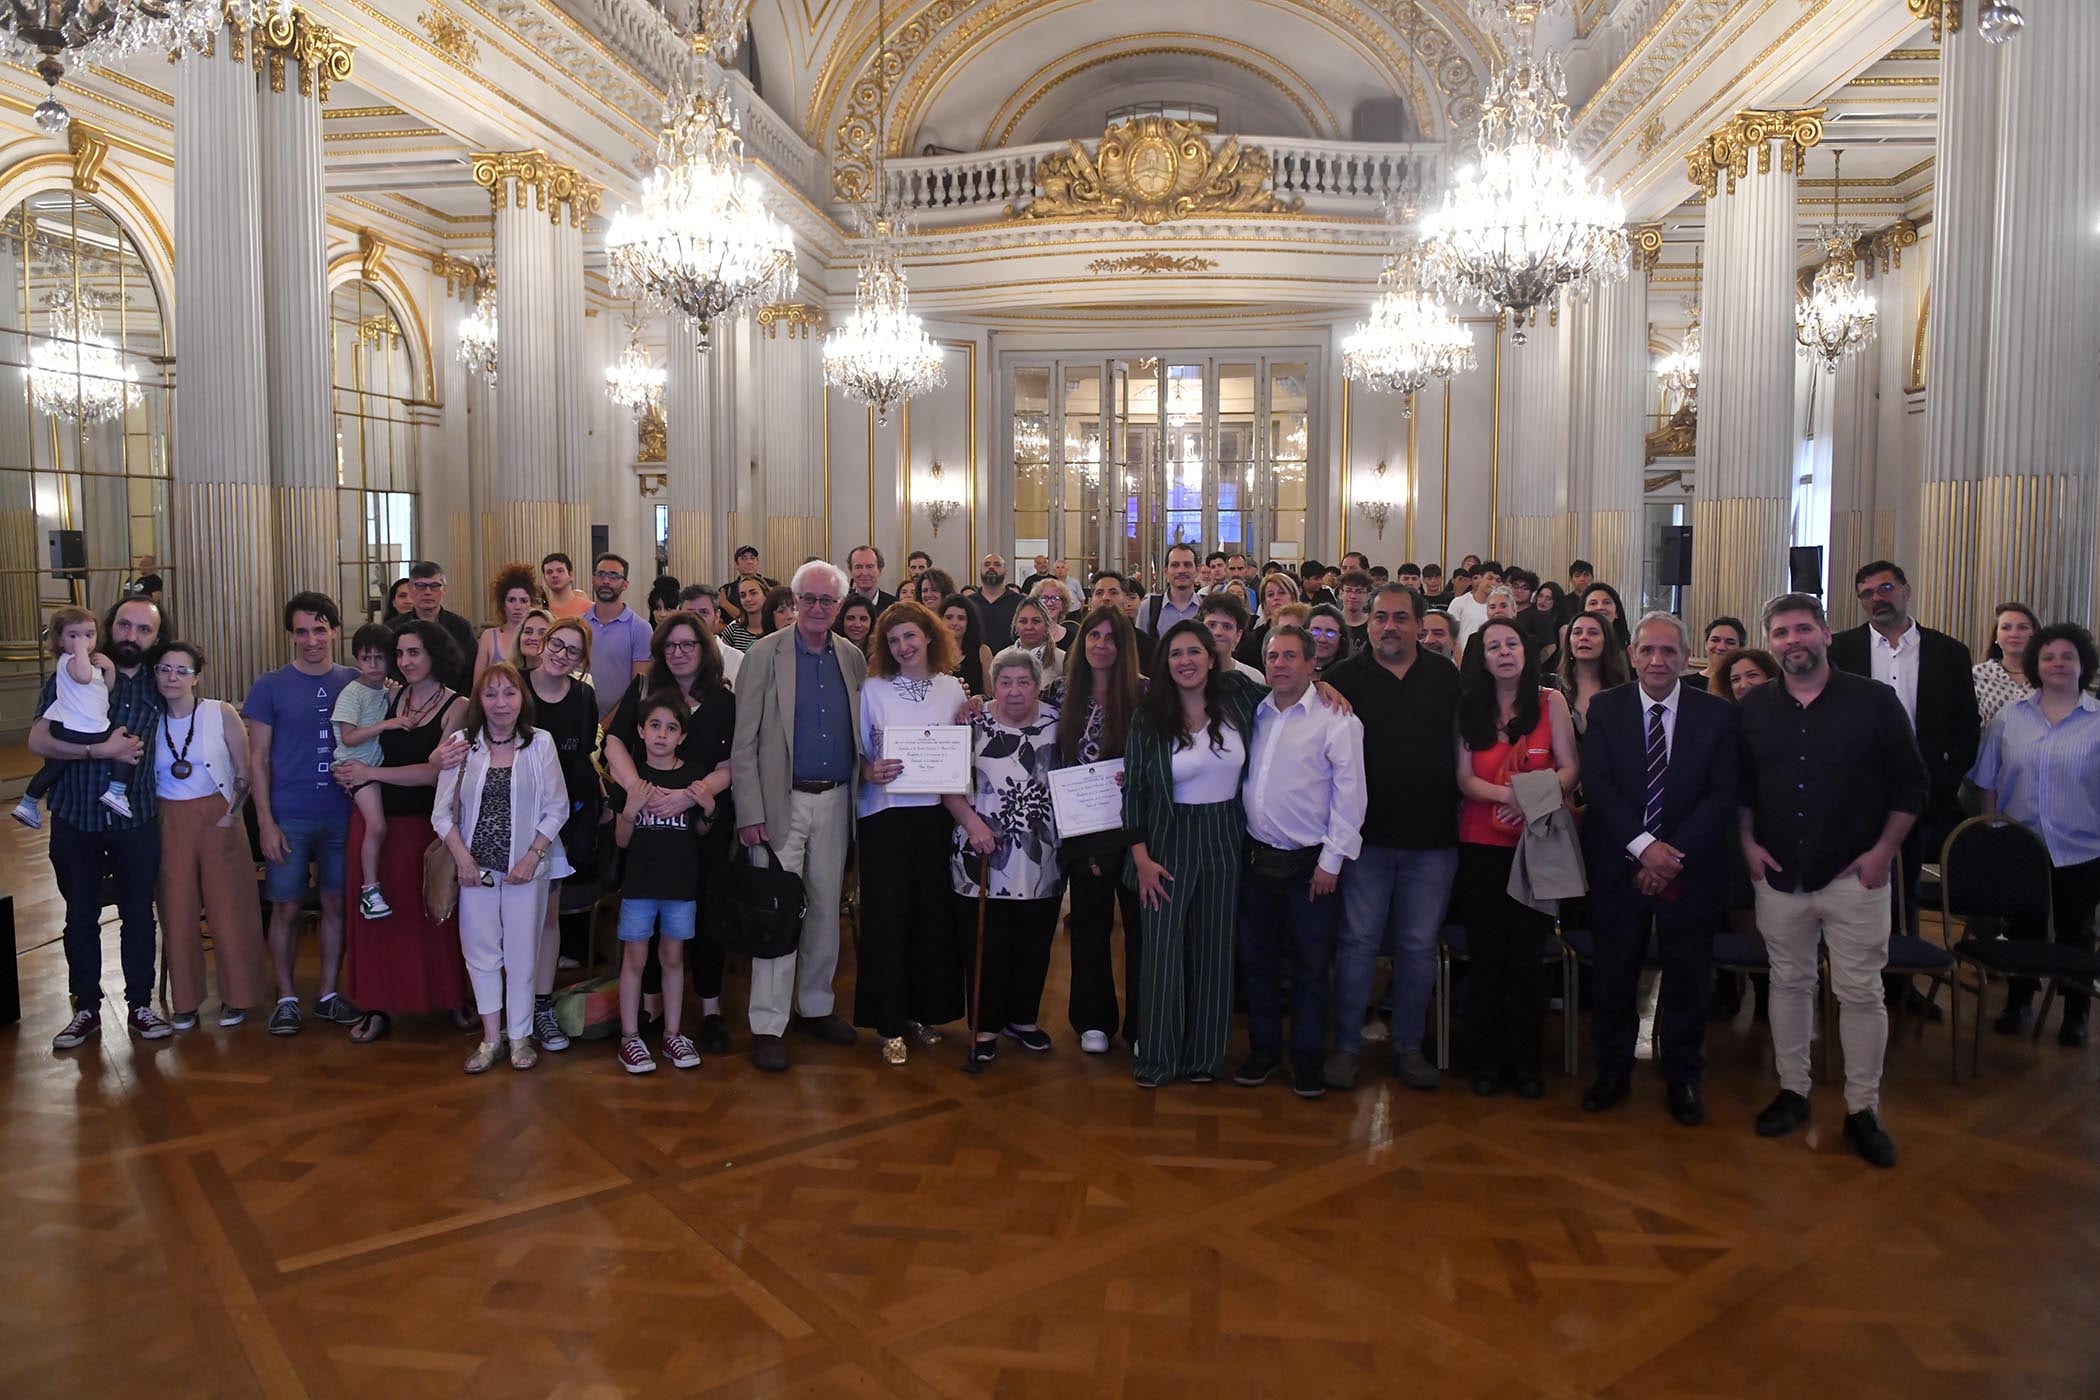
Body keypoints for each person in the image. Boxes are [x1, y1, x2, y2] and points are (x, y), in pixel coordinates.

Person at [1739, 592, 1928, 1168]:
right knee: (1789, 984)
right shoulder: (1754, 707)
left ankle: (1862, 1109)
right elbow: (1741, 787)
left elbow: (1912, 784)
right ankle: (1793, 1091)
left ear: (1825, 633)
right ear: (1770, 643)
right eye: (1780, 633)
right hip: (1779, 874)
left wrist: (1882, 853)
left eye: (1802, 629)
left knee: (1861, 993)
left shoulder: (1874, 701)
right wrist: (1747, 844)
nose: (1792, 641)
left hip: (1854, 873)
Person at [1579, 613, 1740, 1125]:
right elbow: (1598, 785)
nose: (1657, 660)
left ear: (1687, 657)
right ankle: (1612, 1070)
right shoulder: (1606, 708)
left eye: (1669, 651)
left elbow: (1722, 793)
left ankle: (1683, 1074)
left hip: (1690, 869)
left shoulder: (1717, 714)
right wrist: (1645, 847)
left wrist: (1670, 856)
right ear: (1631, 654)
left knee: (1688, 977)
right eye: (1647, 650)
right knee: (1614, 974)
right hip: (1620, 865)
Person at [1326, 584, 1462, 1090]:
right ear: (1367, 622)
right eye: (1381, 617)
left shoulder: (1445, 676)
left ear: (1419, 625)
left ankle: (1408, 1045)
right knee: (1358, 943)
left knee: (1418, 946)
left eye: (1400, 618)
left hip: (1432, 838)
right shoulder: (1343, 678)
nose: (1389, 626)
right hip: (1367, 839)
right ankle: (1347, 1046)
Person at [731, 561, 866, 1071]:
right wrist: (749, 811)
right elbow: (743, 742)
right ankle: (768, 1023)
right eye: (807, 598)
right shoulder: (764, 654)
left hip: (836, 800)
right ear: (792, 601)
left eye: (827, 600)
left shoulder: (851, 657)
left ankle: (815, 1007)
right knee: (776, 910)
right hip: (778, 803)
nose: (816, 608)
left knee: (826, 907)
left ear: (840, 605)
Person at [1123, 620, 1267, 1087]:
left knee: (1214, 950)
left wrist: (1327, 689)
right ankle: (1158, 1059)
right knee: (1162, 953)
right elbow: (1134, 791)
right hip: (1166, 841)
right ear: (1165, 663)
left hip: (1226, 835)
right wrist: (1141, 859)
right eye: (1175, 654)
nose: (1185, 661)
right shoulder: (1149, 717)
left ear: (1211, 656)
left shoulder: (1240, 699)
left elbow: (1291, 696)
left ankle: (1205, 1057)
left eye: (1193, 652)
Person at [1233, 624, 1366, 1099]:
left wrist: (1332, 861)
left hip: (1311, 866)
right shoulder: (1254, 711)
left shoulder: (1337, 719)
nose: (1280, 664)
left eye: (1291, 656)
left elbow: (1351, 797)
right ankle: (1265, 1051)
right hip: (1256, 859)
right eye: (1273, 656)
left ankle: (1307, 1060)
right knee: (1259, 963)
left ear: (1313, 664)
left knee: (1311, 968)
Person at [36, 597, 170, 1049]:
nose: (132, 636)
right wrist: (98, 751)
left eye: (144, 630)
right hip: (76, 815)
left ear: (156, 637)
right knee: (79, 916)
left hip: (137, 818)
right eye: (125, 625)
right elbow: (39, 739)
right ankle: (86, 1008)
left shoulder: (160, 681)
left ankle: (140, 1005)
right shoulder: (74, 672)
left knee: (139, 916)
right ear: (110, 626)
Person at [1454, 617, 1579, 1098]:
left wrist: (1530, 800)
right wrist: (1509, 796)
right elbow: (1465, 778)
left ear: (1525, 652)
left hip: (1536, 845)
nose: (1504, 652)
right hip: (1481, 845)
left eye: (1511, 644)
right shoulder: (1469, 706)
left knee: (1527, 957)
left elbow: (1570, 769)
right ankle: (1484, 1061)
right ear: (1482, 658)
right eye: (1494, 647)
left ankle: (1527, 1064)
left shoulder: (1552, 702)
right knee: (1487, 955)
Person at [1830, 560, 1979, 957]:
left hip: (1922, 794)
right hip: (1853, 794)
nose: (1877, 598)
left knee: (1904, 889)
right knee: (1851, 888)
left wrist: (1943, 781)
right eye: (1866, 593)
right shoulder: (1840, 650)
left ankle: (1902, 976)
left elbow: (1967, 726)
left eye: (1885, 588)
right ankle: (1851, 971)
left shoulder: (1949, 652)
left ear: (1906, 590)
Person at [336, 621, 472, 1044]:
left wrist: (369, 773)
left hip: (427, 827)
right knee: (377, 921)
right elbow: (355, 743)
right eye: (400, 653)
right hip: (378, 825)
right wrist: (349, 772)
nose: (405, 661)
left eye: (414, 652)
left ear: (434, 654)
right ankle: (376, 1005)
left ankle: (452, 998)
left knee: (437, 916)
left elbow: (436, 773)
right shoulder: (388, 696)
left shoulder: (458, 705)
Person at [602, 613, 736, 1041]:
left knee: (706, 909)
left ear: (704, 649)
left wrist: (691, 795)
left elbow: (732, 761)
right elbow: (614, 740)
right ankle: (651, 1004)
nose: (678, 653)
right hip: (647, 816)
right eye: (670, 646)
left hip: (703, 813)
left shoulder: (722, 699)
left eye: (687, 644)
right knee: (651, 911)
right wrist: (637, 789)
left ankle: (710, 1008)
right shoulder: (645, 688)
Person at [432, 663, 569, 1073]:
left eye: (509, 693)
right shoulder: (462, 744)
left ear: (522, 698)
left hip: (524, 870)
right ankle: (491, 1039)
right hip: (475, 871)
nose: (500, 703)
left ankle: (521, 1037)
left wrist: (533, 857)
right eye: (490, 694)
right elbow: (441, 814)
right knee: (481, 955)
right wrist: (463, 860)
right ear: (479, 700)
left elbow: (557, 807)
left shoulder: (540, 743)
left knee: (522, 954)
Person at [1970, 623, 2100, 1045]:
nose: (2057, 663)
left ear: (2083, 664)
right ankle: (2019, 1002)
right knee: (2024, 929)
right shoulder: (2010, 718)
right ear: (2036, 665)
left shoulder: (2097, 721)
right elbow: (1986, 780)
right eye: (2048, 657)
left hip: (2082, 848)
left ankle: (2076, 1014)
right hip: (2021, 846)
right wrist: (1992, 831)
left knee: (2076, 933)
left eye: (2067, 657)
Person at [244, 593, 363, 1037]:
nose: (312, 640)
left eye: (320, 629)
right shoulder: (270, 685)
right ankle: (287, 998)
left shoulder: (356, 680)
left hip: (343, 813)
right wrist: (265, 821)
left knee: (336, 903)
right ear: (291, 635)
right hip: (288, 815)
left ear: (335, 631)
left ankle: (329, 993)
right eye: (302, 631)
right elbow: (257, 759)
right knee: (286, 907)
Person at [855, 600, 967, 1064]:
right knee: (887, 917)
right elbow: (859, 752)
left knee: (930, 916)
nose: (903, 646)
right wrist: (870, 770)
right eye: (894, 639)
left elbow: (963, 747)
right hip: (885, 815)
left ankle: (923, 1012)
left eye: (910, 636)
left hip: (936, 816)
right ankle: (888, 1022)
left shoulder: (952, 688)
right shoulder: (873, 689)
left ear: (929, 636)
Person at [945, 648, 1065, 1065]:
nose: (1015, 691)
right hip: (981, 848)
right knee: (986, 942)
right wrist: (972, 824)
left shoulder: (1057, 723)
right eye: (1006, 682)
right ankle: (985, 1026)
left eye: (1024, 682)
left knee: (1034, 939)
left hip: (1041, 853)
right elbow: (948, 783)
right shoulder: (971, 721)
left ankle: (1023, 1018)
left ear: (1037, 685)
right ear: (993, 685)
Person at [150, 639, 264, 1031]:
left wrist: (232, 815)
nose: (172, 678)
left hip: (220, 814)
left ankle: (238, 996)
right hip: (169, 818)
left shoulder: (220, 712)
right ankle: (185, 1001)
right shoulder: (150, 718)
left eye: (182, 670)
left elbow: (244, 768)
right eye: (164, 669)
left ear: (196, 677)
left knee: (230, 908)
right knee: (177, 910)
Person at [1057, 605, 1147, 1054]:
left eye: (1111, 638)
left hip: (1135, 829)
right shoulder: (1061, 692)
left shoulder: (1146, 693)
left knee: (1140, 928)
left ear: (1124, 646)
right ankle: (1092, 1019)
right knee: (1090, 924)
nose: (1101, 645)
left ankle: (1143, 1024)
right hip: (1084, 829)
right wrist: (975, 701)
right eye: (1094, 636)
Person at [611, 691, 715, 1074]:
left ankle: (673, 1033)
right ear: (640, 730)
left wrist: (709, 808)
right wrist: (630, 810)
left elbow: (701, 831)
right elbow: (621, 840)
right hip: (640, 886)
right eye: (654, 725)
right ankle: (629, 1037)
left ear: (682, 736)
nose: (661, 734)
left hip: (680, 887)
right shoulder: (632, 778)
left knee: (673, 959)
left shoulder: (693, 775)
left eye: (671, 728)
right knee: (635, 959)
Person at [525, 616, 599, 1052]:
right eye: (557, 644)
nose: (561, 655)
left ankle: (540, 1004)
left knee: (547, 914)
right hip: (511, 814)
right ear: (542, 643)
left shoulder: (583, 696)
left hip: (559, 816)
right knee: (506, 917)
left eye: (572, 651)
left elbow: (582, 757)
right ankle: (505, 1006)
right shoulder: (513, 686)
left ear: (581, 660)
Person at [14, 607, 134, 827]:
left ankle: (28, 802)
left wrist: (110, 670)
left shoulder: (85, 663)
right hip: (81, 727)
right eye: (73, 635)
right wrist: (80, 650)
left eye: (89, 635)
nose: (83, 641)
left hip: (78, 725)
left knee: (55, 767)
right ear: (59, 640)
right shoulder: (70, 661)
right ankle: (117, 791)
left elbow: (103, 691)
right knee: (126, 746)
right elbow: (84, 677)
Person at [334, 623, 401, 921]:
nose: (373, 665)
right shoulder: (352, 693)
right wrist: (385, 724)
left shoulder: (387, 690)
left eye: (380, 658)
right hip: (354, 767)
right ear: (356, 660)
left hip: (374, 767)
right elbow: (348, 737)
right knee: (376, 826)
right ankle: (369, 891)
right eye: (366, 658)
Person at [582, 553, 652, 721]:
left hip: (622, 723)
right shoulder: (578, 624)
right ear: (593, 580)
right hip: (580, 718)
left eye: (614, 576)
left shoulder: (640, 629)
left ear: (625, 584)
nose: (606, 581)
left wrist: (604, 726)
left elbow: (638, 687)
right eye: (601, 574)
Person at [386, 561, 478, 690]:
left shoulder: (461, 627)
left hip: (453, 696)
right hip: (405, 696)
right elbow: (389, 668)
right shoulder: (392, 628)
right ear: (411, 589)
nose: (428, 592)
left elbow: (471, 671)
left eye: (434, 586)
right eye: (420, 586)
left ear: (444, 589)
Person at [1555, 612, 1631, 734]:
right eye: (1577, 632)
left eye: (1593, 633)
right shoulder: (1554, 687)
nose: (1583, 637)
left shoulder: (1624, 690)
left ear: (1607, 641)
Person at [1972, 601, 2040, 730]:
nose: (2014, 634)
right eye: (2006, 627)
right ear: (1996, 636)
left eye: (2022, 627)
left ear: (2035, 634)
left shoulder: (2047, 675)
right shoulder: (1979, 674)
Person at [475, 563, 540, 681]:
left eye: (523, 601)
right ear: (503, 604)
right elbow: (478, 684)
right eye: (511, 600)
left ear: (531, 603)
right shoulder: (488, 636)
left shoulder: (539, 635)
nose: (517, 606)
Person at [678, 583, 742, 687]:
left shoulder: (737, 660)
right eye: (690, 613)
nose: (697, 619)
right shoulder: (671, 658)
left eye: (704, 612)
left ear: (717, 616)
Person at [1236, 572, 1303, 669]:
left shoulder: (1307, 632)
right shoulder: (1251, 641)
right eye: (1270, 595)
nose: (1276, 598)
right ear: (1264, 604)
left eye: (1282, 593)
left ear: (1293, 598)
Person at [1139, 542, 1204, 639]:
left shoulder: (1207, 606)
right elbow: (1139, 645)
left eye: (1187, 565)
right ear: (1165, 572)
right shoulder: (1148, 607)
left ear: (1197, 571)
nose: (1181, 570)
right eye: (1175, 565)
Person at [1199, 592, 1263, 681]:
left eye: (1227, 626)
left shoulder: (1254, 678)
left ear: (1238, 635)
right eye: (1211, 625)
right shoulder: (1186, 676)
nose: (1217, 632)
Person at [939, 592, 993, 696]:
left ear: (969, 622)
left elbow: (990, 696)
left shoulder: (983, 651)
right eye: (949, 617)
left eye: (961, 618)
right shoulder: (930, 652)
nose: (954, 623)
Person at [1010, 596, 1064, 685]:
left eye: (1036, 621)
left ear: (1046, 626)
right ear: (1015, 626)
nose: (1029, 627)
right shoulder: (1001, 658)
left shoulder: (1062, 660)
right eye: (1023, 621)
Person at [972, 553, 1022, 647]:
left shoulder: (1020, 602)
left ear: (1005, 571)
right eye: (987, 564)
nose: (991, 567)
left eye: (997, 565)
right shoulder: (969, 602)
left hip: (1011, 655)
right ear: (980, 570)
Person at [1447, 560, 1498, 648]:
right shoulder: (1458, 602)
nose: (1493, 583)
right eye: (1489, 578)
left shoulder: (1499, 607)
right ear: (1481, 578)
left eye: (1497, 580)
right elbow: (1449, 634)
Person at [1702, 617, 1748, 697]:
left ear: (1741, 648)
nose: (1721, 647)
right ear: (1706, 644)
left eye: (1730, 642)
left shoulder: (1744, 686)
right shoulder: (1685, 683)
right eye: (1715, 640)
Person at [847, 544, 898, 615]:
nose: (864, 573)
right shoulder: (841, 604)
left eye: (869, 567)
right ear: (851, 571)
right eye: (858, 567)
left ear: (879, 570)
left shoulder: (894, 607)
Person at [1030, 576, 1077, 651]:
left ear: (1063, 605)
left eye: (1055, 598)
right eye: (1044, 598)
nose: (1049, 603)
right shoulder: (1028, 634)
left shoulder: (1073, 639)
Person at [1306, 602, 1352, 675]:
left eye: (1330, 633)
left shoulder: (1351, 674)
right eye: (1315, 631)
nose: (1322, 639)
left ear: (1341, 638)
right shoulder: (1293, 673)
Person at [724, 576, 768, 651]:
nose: (748, 599)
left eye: (753, 593)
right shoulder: (733, 631)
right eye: (743, 595)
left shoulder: (776, 628)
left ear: (765, 595)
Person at [541, 551, 591, 619]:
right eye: (549, 572)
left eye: (560, 571)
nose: (555, 575)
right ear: (544, 578)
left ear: (570, 575)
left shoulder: (589, 608)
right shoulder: (542, 610)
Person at [1337, 570, 1374, 651]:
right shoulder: (1332, 622)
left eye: (1359, 592)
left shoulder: (1374, 625)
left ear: (1367, 596)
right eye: (1348, 591)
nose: (1353, 596)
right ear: (1341, 594)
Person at [517, 609, 552, 673]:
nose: (534, 638)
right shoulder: (506, 674)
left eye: (542, 633)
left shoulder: (564, 677)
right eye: (528, 632)